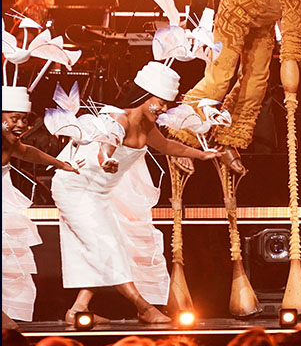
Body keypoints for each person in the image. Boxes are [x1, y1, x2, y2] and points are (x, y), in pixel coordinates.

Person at [53, 62, 219, 323]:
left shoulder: (147, 127)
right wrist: (106, 158)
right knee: (106, 246)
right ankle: (143, 306)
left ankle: (78, 309)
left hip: (101, 193)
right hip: (76, 189)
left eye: (167, 104)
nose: (164, 109)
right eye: (160, 102)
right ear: (144, 96)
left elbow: (166, 146)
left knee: (108, 246)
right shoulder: (120, 119)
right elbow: (108, 142)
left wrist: (202, 154)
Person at [2, 84, 79, 327]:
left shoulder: (10, 144)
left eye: (24, 120)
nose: (21, 126)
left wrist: (60, 164)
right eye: (14, 118)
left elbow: (29, 153)